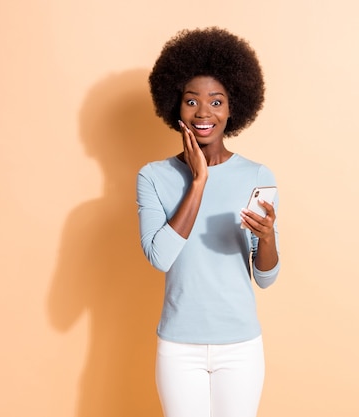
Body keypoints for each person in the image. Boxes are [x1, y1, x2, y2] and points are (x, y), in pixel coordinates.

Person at [136, 27, 281, 417]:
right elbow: (161, 257)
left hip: (240, 346)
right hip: (179, 347)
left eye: (216, 101)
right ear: (175, 107)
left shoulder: (257, 176)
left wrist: (266, 239)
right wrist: (199, 181)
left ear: (234, 108)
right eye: (191, 101)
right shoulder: (153, 176)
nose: (204, 113)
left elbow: (265, 278)